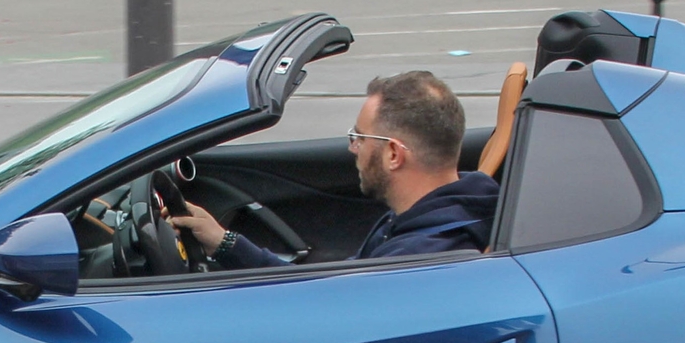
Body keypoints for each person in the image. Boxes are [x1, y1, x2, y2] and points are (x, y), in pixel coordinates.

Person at [170, 70, 497, 269]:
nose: (353, 148)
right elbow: (327, 286)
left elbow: (322, 303)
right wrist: (224, 243)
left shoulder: (410, 262)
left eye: (360, 137)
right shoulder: (444, 212)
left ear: (394, 154)